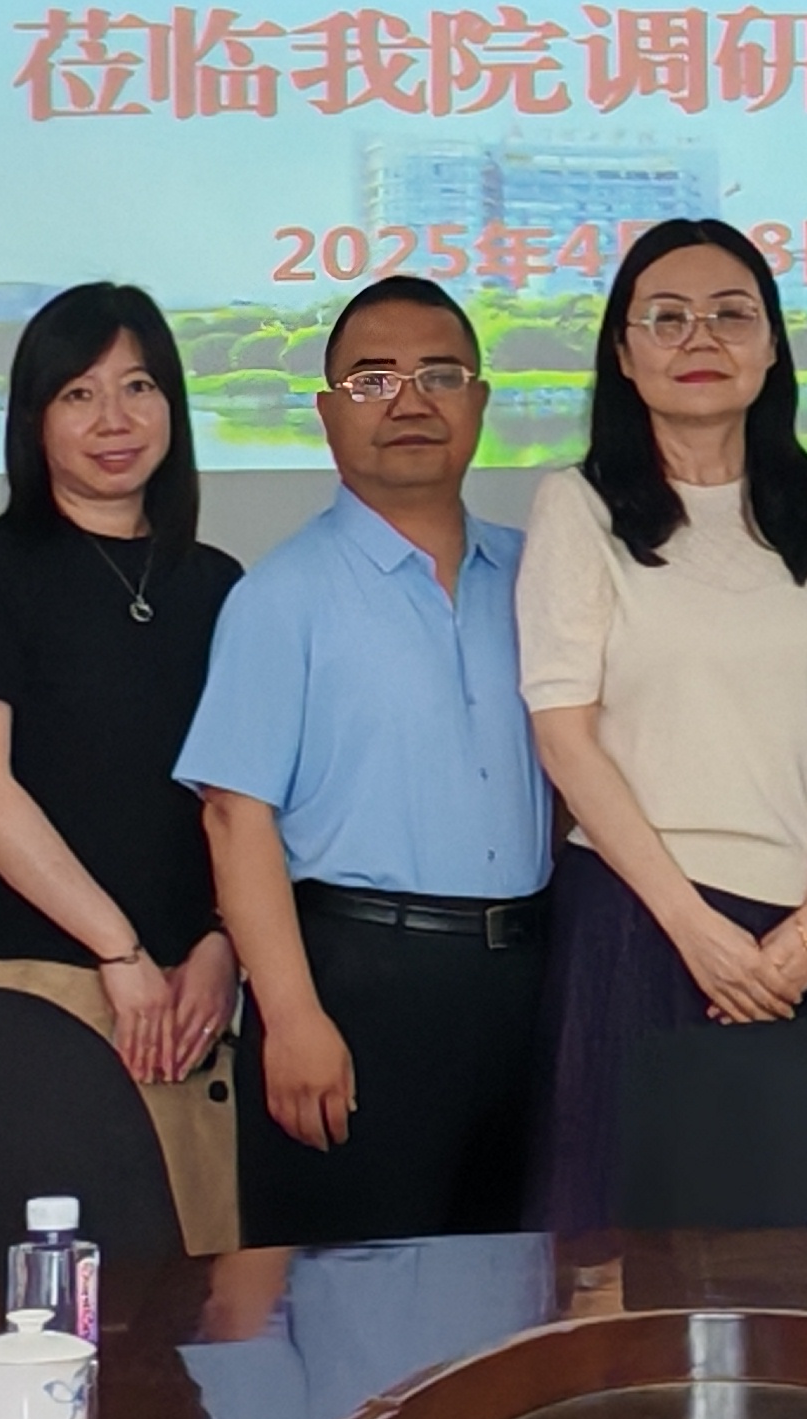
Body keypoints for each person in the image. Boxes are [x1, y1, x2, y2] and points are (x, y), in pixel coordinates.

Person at [518, 218, 807, 1230]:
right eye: (667, 319)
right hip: (641, 923)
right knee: (628, 1256)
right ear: (623, 353)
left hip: (806, 933)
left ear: (771, 347)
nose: (700, 340)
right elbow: (563, 735)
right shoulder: (578, 507)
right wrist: (695, 930)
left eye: (731, 315)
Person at [178, 274, 550, 1244]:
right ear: (326, 412)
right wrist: (290, 1017)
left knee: (519, 1289)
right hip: (359, 984)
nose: (410, 401)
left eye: (440, 374)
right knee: (351, 1298)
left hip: (532, 980)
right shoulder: (281, 595)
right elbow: (234, 816)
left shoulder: (540, 575)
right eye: (373, 380)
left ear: (480, 400)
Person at [0, 281, 248, 1252]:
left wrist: (224, 947)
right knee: (13, 1295)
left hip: (184, 999)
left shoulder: (221, 585)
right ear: (33, 418)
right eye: (79, 394)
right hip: (23, 985)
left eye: (139, 388)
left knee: (190, 1297)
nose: (115, 420)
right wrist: (119, 953)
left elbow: (245, 800)